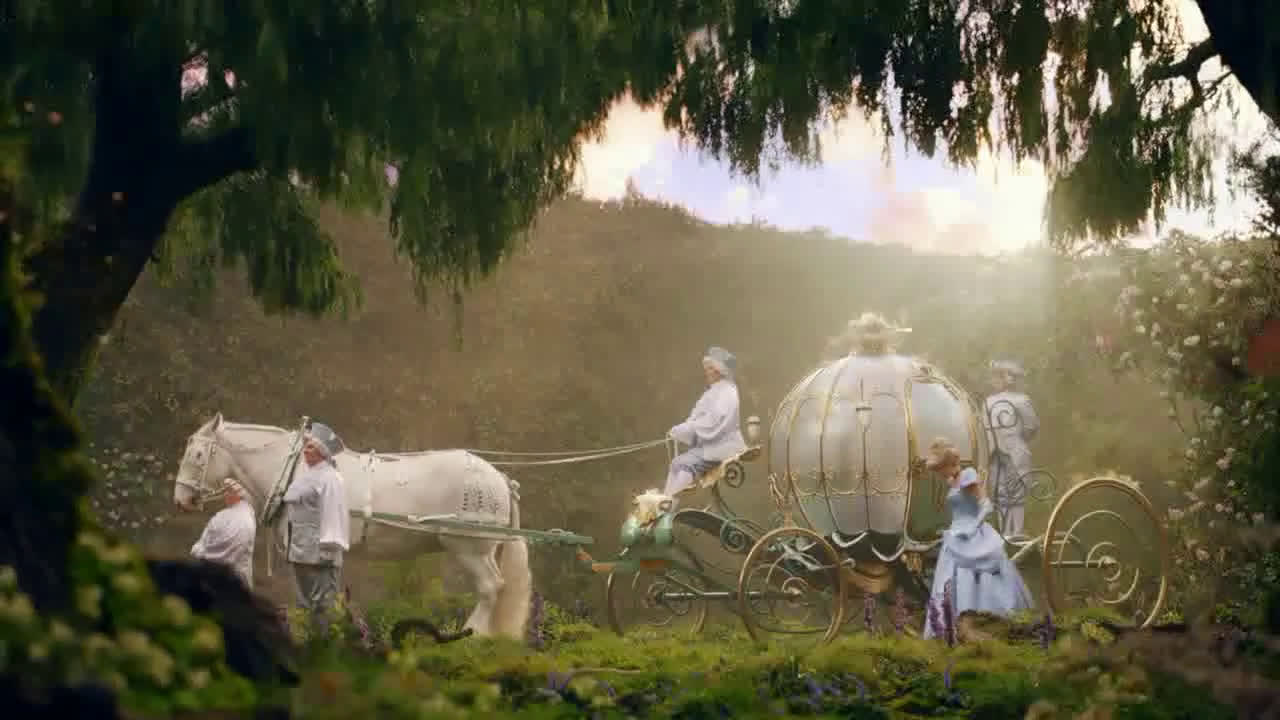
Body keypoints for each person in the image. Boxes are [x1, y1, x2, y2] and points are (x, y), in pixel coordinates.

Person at [922, 438, 1033, 638]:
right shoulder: (950, 481)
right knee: (949, 577)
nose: (939, 474)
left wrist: (973, 527)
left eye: (940, 469)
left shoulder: (968, 476)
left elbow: (986, 505)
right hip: (956, 534)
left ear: (948, 464)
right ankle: (952, 627)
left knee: (976, 574)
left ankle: (983, 621)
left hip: (973, 533)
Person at [283, 421, 350, 634]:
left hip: (321, 553)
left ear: (322, 451)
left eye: (310, 447)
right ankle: (306, 646)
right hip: (300, 552)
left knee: (323, 607)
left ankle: (324, 649)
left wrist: (329, 549)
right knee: (303, 605)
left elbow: (334, 513)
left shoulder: (331, 478)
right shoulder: (307, 476)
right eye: (305, 446)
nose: (305, 450)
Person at [663, 346, 748, 498]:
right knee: (676, 463)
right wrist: (682, 428)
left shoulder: (728, 391)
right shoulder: (712, 392)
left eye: (710, 368)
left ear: (719, 370)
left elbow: (715, 421)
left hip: (723, 446)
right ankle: (663, 504)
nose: (706, 372)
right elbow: (696, 416)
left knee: (685, 465)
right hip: (710, 445)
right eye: (707, 368)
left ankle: (668, 505)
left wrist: (689, 428)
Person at [984, 360, 1039, 538]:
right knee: (999, 494)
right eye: (995, 376)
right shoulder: (988, 402)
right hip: (994, 454)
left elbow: (1031, 426)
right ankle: (1005, 533)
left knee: (1017, 492)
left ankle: (1016, 533)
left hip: (1014, 453)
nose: (994, 380)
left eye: (999, 376)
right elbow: (984, 428)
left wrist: (1016, 440)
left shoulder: (1021, 400)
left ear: (1009, 378)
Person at [190, 477, 258, 590]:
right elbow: (203, 541)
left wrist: (201, 552)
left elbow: (230, 551)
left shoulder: (244, 518)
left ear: (240, 493)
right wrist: (200, 549)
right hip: (214, 577)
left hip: (234, 581)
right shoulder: (221, 515)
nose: (225, 494)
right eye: (225, 491)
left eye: (229, 491)